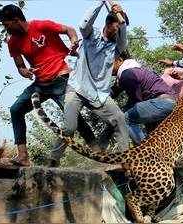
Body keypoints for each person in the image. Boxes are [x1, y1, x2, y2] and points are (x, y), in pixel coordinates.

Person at [0, 4, 95, 166]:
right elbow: (20, 66)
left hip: (61, 80)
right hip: (40, 85)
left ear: (15, 20)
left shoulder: (41, 26)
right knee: (16, 110)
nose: (5, 28)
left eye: (6, 24)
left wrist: (74, 42)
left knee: (75, 120)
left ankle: (98, 151)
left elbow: (70, 30)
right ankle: (23, 156)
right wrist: (25, 71)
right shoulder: (12, 42)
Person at [51, 1, 131, 167]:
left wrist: (121, 14)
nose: (118, 32)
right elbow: (83, 23)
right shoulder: (90, 34)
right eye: (116, 27)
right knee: (69, 128)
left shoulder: (117, 46)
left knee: (120, 118)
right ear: (108, 24)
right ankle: (53, 159)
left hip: (99, 94)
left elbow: (123, 34)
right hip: (77, 88)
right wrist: (102, 2)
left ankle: (125, 161)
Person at [111, 54, 177, 145]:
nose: (106, 69)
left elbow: (137, 102)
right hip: (167, 102)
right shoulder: (132, 70)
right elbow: (115, 92)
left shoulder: (127, 74)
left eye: (109, 64)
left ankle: (147, 151)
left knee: (124, 119)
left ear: (119, 60)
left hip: (163, 102)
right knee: (157, 138)